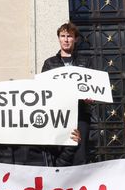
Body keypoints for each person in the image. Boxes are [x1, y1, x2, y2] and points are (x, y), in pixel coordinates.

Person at [40, 22, 93, 164]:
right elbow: (42, 89)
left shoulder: (85, 62)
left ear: (75, 39)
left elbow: (92, 87)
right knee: (58, 152)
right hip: (57, 116)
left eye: (69, 36)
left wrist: (91, 97)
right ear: (58, 39)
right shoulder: (49, 63)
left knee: (80, 154)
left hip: (80, 114)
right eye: (62, 36)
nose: (66, 39)